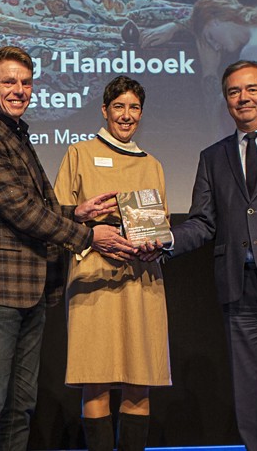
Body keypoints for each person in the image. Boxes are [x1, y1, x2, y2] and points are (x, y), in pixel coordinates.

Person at [0, 46, 136, 450]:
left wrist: (78, 212)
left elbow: (40, 206)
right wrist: (88, 235)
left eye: (25, 82)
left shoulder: (18, 137)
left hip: (30, 289)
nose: (19, 90)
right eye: (9, 81)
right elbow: (20, 210)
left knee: (21, 407)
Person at [168, 60, 257, 451]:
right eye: (234, 92)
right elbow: (203, 223)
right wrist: (164, 242)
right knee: (248, 395)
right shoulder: (213, 156)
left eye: (251, 89)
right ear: (226, 101)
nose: (243, 98)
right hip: (237, 290)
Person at [54, 75, 171, 451]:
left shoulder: (152, 163)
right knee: (96, 378)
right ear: (104, 111)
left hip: (142, 279)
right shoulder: (79, 153)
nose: (126, 115)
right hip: (94, 277)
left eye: (134, 107)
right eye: (118, 107)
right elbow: (56, 219)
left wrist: (157, 245)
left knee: (140, 379)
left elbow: (162, 225)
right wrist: (89, 227)